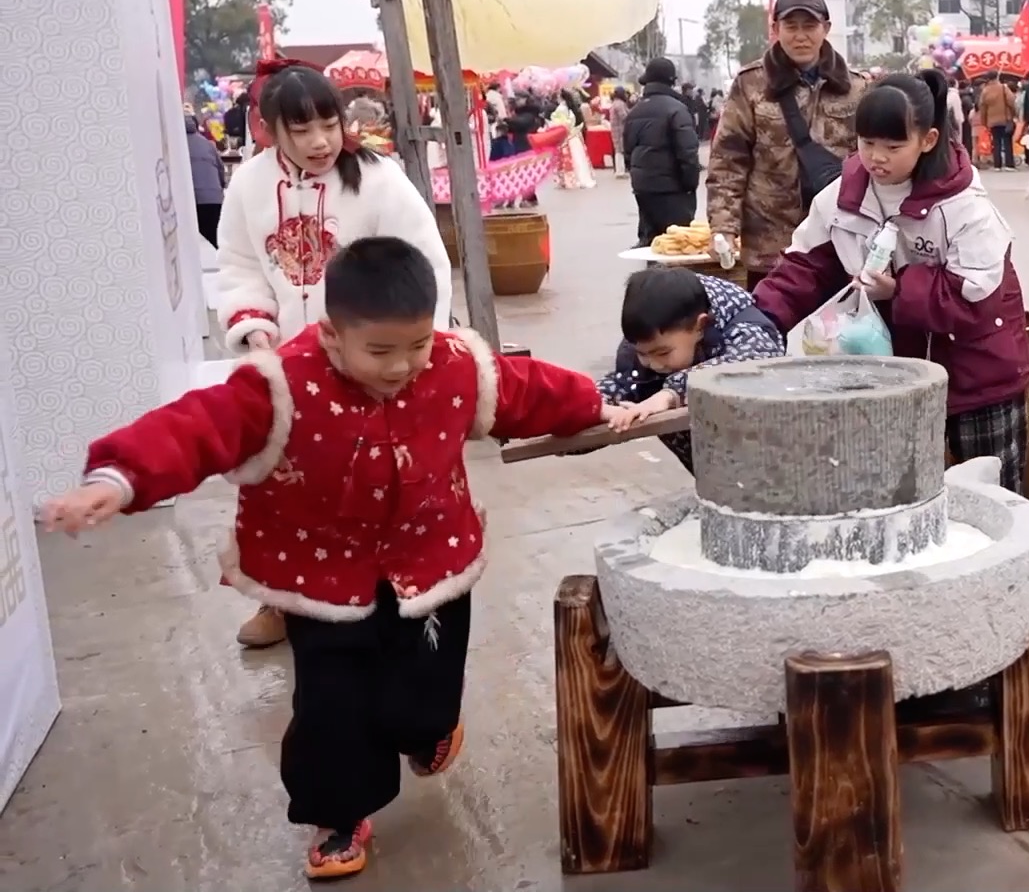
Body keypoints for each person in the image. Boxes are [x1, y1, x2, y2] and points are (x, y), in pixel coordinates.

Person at [38, 236, 646, 879]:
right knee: (332, 705)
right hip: (320, 577)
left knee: (425, 695)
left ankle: (427, 729)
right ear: (332, 334)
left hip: (431, 561)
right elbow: (195, 428)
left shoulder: (453, 365)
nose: (401, 366)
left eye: (416, 345)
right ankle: (338, 815)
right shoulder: (278, 385)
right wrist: (118, 479)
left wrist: (596, 405)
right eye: (379, 351)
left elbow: (527, 391)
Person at [212, 63, 455, 651]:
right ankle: (282, 600)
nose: (320, 142)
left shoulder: (379, 179)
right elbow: (239, 265)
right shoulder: (248, 186)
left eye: (328, 124)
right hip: (288, 369)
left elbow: (425, 262)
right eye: (301, 130)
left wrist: (412, 351)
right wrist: (255, 329)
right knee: (283, 489)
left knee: (373, 483)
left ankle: (386, 592)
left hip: (368, 366)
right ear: (269, 128)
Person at [753, 70, 1029, 492]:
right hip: (895, 376)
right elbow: (804, 268)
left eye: (893, 146)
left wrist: (899, 290)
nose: (876, 158)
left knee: (988, 497)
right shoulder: (841, 199)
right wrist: (758, 320)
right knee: (902, 495)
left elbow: (974, 295)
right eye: (867, 143)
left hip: (977, 374)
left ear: (928, 139)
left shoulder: (964, 207)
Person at [707, 0, 869, 287]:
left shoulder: (856, 88)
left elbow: (871, 160)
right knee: (770, 314)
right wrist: (723, 227)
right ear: (776, 29)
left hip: (837, 241)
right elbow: (728, 160)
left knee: (836, 317)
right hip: (769, 245)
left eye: (809, 26)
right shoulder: (751, 84)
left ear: (826, 28)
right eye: (791, 27)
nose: (800, 36)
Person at [597, 266, 787, 471]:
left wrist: (671, 393)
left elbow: (753, 361)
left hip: (771, 460)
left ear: (700, 326)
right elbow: (622, 383)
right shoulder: (647, 346)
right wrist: (592, 405)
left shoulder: (744, 326)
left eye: (663, 353)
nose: (654, 364)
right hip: (707, 467)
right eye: (642, 354)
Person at [624, 58, 704, 247]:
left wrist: (638, 178)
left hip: (643, 189)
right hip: (672, 189)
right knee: (677, 244)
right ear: (672, 81)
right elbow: (688, 153)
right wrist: (690, 184)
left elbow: (628, 152)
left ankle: (650, 266)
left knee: (651, 243)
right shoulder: (677, 109)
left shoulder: (635, 111)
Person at [186, 114, 225, 246]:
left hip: (192, 200)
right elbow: (220, 169)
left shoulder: (175, 145)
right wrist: (219, 189)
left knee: (192, 244)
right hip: (214, 198)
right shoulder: (207, 144)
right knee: (215, 241)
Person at [977, 71, 1018, 169]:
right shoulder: (1003, 88)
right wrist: (1014, 114)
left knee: (996, 142)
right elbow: (1011, 101)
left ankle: (997, 165)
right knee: (1007, 142)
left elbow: (982, 107)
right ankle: (1009, 164)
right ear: (997, 76)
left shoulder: (985, 91)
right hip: (1005, 119)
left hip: (992, 120)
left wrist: (984, 122)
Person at [607, 86, 632, 178]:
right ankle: (620, 171)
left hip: (616, 129)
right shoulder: (620, 104)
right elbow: (624, 116)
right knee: (620, 151)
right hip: (620, 130)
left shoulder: (615, 103)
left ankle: (620, 170)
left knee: (618, 150)